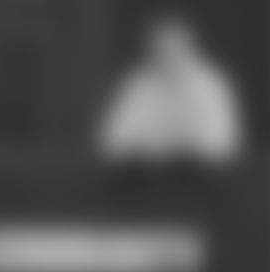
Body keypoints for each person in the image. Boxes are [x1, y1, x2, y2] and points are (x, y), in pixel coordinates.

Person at [98, 16, 243, 172]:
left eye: (174, 48)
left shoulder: (210, 84)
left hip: (198, 176)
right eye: (159, 49)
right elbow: (112, 141)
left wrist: (161, 147)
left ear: (189, 48)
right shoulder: (138, 84)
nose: (166, 55)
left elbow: (218, 143)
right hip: (143, 175)